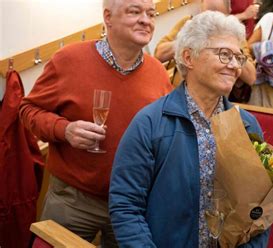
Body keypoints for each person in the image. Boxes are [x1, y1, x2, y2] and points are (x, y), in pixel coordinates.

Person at [109, 11, 269, 247]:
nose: (235, 66)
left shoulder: (247, 125)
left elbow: (259, 209)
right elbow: (126, 205)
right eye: (224, 54)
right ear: (188, 58)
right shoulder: (150, 123)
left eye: (239, 57)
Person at [19, 0, 173, 246]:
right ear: (108, 17)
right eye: (135, 12)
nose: (146, 20)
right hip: (73, 200)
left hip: (132, 203)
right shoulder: (68, 60)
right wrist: (64, 129)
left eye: (151, 14)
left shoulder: (158, 73)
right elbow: (28, 109)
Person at [154, 0, 257, 89]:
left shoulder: (235, 35)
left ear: (227, 14)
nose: (211, 24)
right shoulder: (188, 23)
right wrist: (191, 39)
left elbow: (251, 77)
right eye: (207, 17)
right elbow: (159, 54)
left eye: (217, 18)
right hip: (179, 91)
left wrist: (229, 47)